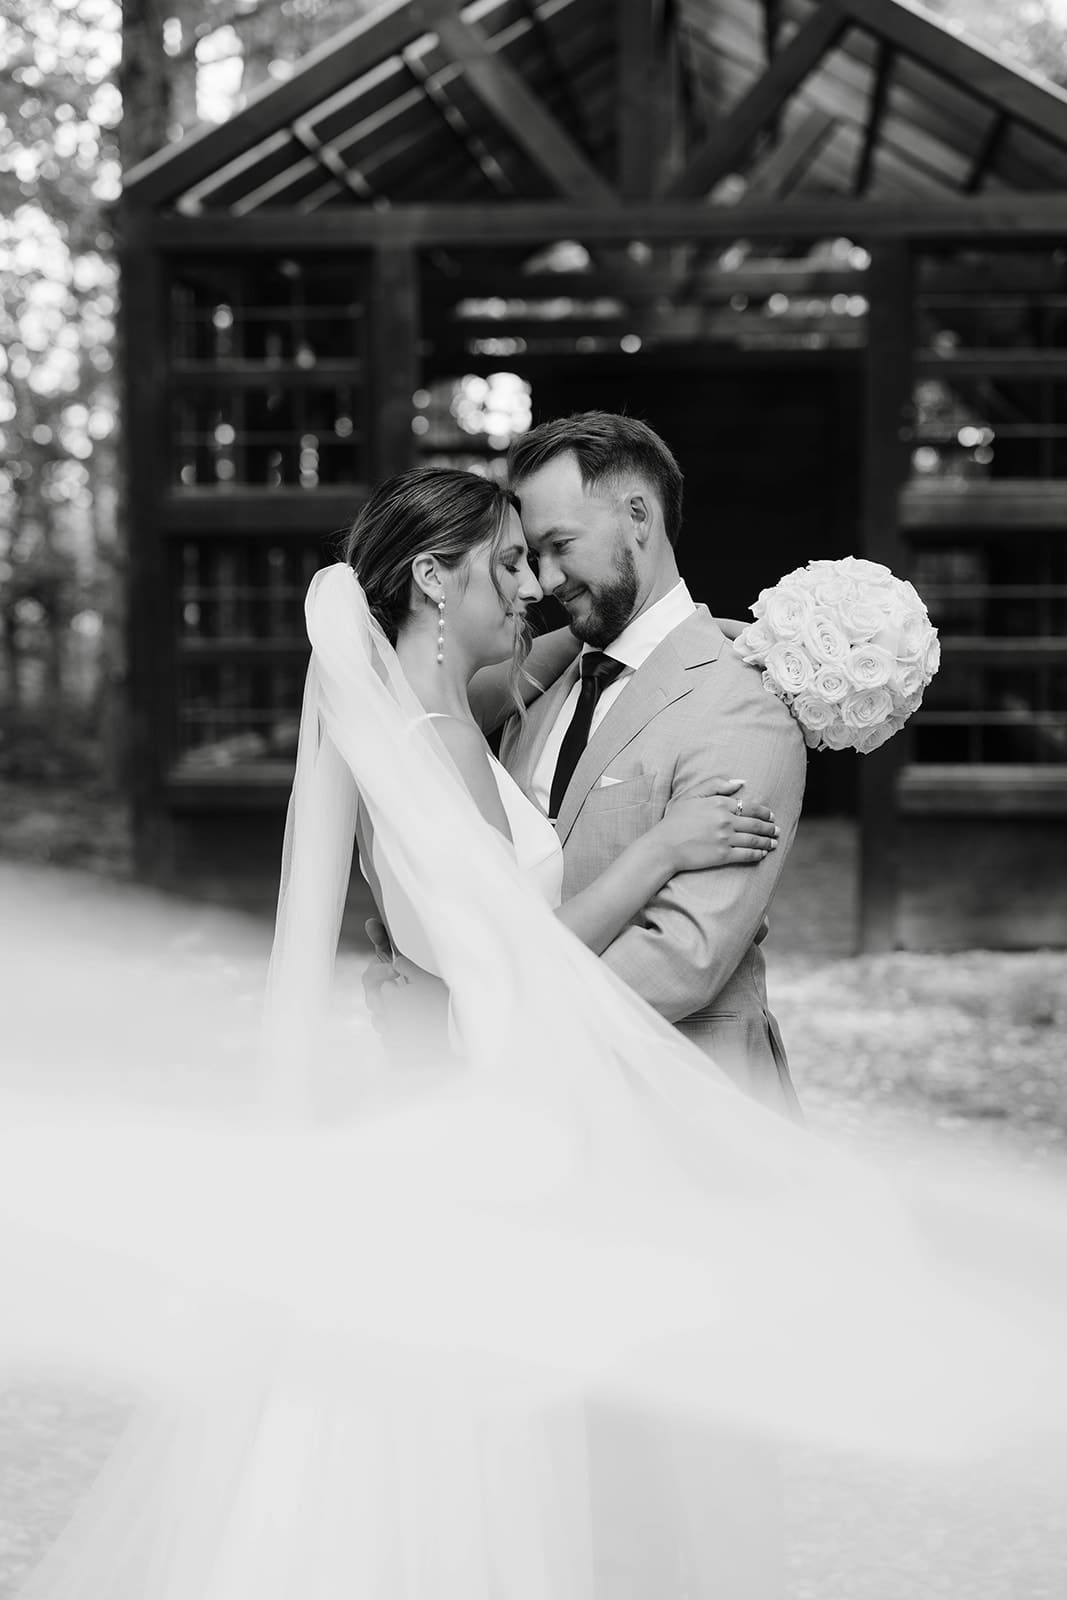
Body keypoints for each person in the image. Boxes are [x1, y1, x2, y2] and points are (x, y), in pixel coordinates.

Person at [9, 468, 1063, 1600]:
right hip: (492, 1129)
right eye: (511, 563)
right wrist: (659, 850)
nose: (533, 590)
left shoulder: (452, 711)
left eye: (543, 552)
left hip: (507, 1118)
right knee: (465, 1469)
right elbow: (518, 950)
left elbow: (565, 728)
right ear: (430, 577)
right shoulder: (447, 739)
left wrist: (694, 634)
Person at [500, 411, 806, 1115]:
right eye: (530, 556)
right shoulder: (542, 690)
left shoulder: (740, 700)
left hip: (682, 1110)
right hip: (546, 1116)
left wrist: (493, 1014)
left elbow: (683, 955)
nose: (544, 581)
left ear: (637, 515)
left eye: (560, 545)